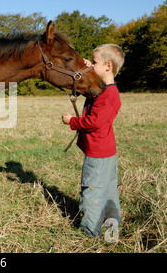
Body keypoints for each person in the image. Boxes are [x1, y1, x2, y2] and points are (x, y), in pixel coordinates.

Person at [62, 44, 125, 238]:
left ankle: (91, 233)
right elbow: (87, 85)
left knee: (92, 193)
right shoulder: (104, 88)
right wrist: (88, 68)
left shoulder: (108, 95)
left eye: (94, 61)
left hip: (98, 154)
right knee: (107, 191)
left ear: (107, 65)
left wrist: (71, 121)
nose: (91, 64)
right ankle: (111, 226)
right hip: (106, 151)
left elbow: (94, 122)